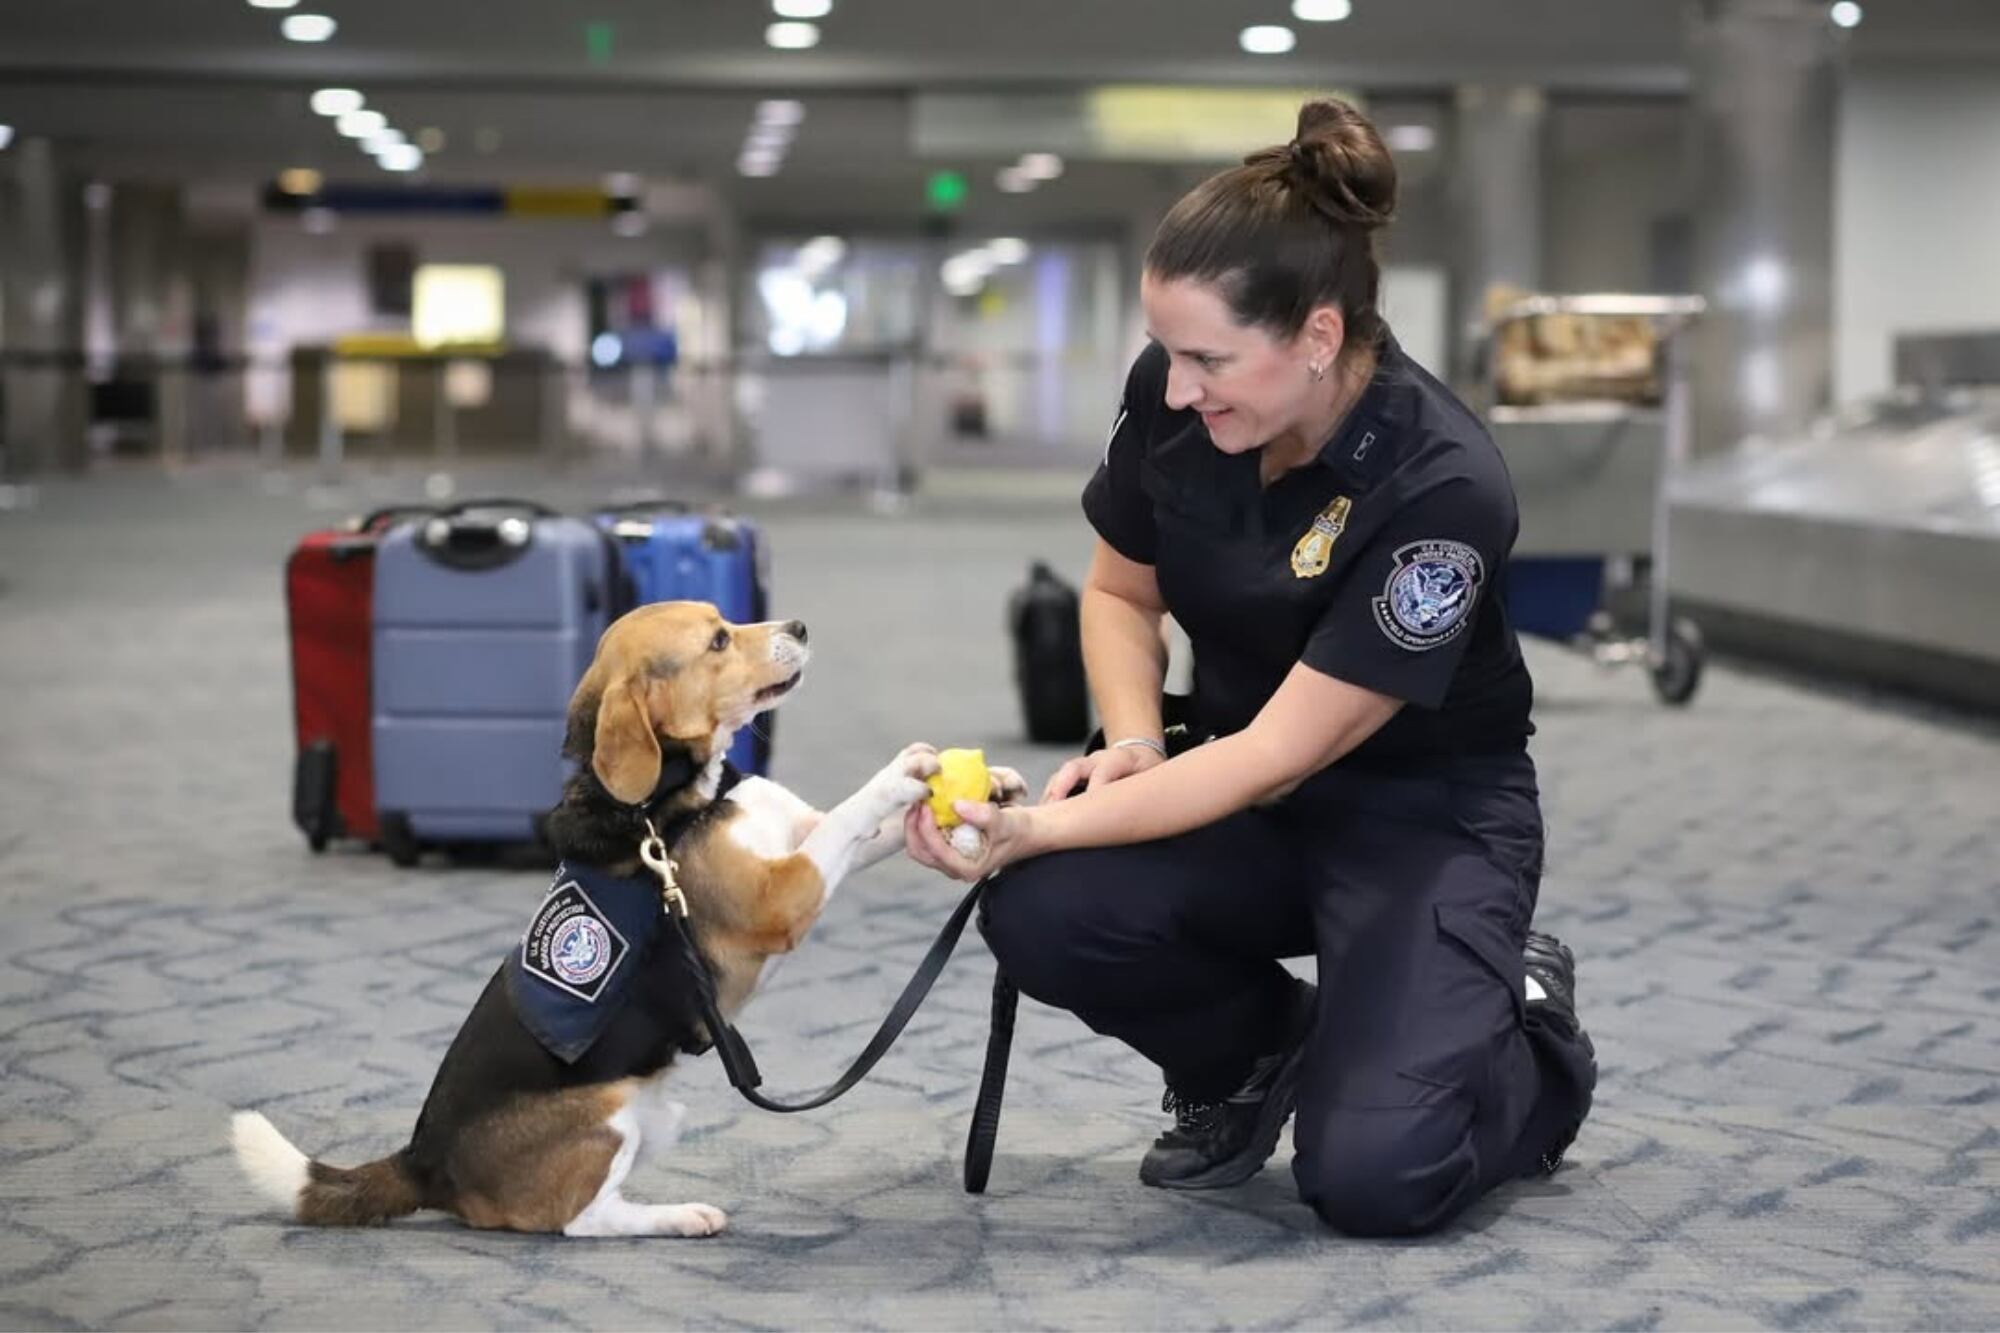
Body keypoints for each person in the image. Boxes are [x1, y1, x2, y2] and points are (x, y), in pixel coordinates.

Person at [903, 98, 1598, 1238]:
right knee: (1043, 909)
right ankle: (1252, 1053)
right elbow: (1120, 594)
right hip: (1234, 785)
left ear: (1317, 337)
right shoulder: (1176, 402)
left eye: (1207, 358)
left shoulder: (1441, 486)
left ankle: (1523, 1028)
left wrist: (1031, 822)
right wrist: (1129, 744)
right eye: (1168, 353)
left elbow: (1281, 751)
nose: (1175, 388)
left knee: (1377, 1179)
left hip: (1419, 817)